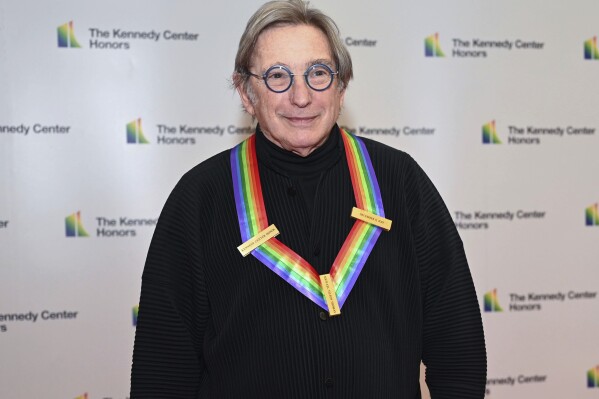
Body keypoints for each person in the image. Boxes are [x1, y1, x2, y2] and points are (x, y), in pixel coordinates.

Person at [130, 0, 486, 398]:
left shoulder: (401, 182)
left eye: (318, 73)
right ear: (246, 93)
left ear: (341, 86)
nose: (301, 96)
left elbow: (457, 345)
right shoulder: (198, 200)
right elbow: (162, 370)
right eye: (277, 77)